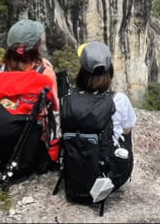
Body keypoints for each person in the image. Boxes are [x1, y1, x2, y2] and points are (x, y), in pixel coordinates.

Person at [56, 41, 136, 208]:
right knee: (126, 135)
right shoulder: (119, 100)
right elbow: (127, 130)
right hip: (110, 177)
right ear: (109, 71)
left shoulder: (68, 100)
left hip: (74, 175)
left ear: (82, 73)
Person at [0, 19, 60, 184]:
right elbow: (55, 107)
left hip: (0, 154)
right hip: (33, 157)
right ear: (36, 47)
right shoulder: (44, 74)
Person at [0, 19, 60, 112]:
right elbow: (55, 107)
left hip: (4, 123)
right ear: (36, 46)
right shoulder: (46, 74)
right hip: (34, 125)